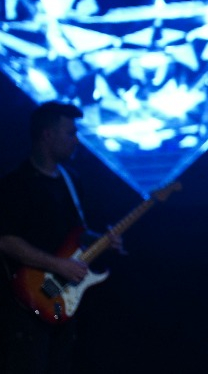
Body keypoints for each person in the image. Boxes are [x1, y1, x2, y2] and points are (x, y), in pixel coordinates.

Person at [0, 101, 123, 374]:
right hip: (27, 302)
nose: (76, 140)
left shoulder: (72, 180)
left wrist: (102, 241)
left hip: (62, 302)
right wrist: (57, 265)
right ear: (47, 135)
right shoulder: (16, 184)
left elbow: (75, 233)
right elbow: (6, 240)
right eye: (70, 133)